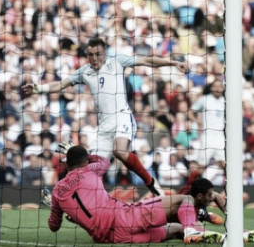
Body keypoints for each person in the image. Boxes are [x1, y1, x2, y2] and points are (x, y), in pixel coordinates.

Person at [23, 37, 189, 196]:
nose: (94, 58)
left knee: (119, 151)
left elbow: (146, 61)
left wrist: (173, 63)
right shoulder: (84, 72)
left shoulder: (117, 61)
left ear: (104, 53)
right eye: (90, 55)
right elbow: (60, 84)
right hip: (103, 128)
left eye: (98, 54)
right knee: (88, 169)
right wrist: (38, 89)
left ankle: (151, 183)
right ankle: (83, 203)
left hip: (122, 117)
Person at [47, 145, 224, 244]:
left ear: (66, 163)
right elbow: (104, 161)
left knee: (176, 231)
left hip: (111, 238)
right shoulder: (90, 170)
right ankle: (193, 228)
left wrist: (63, 212)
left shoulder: (56, 192)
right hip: (124, 217)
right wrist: (89, 156)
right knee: (185, 199)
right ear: (84, 161)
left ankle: (219, 238)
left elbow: (54, 226)